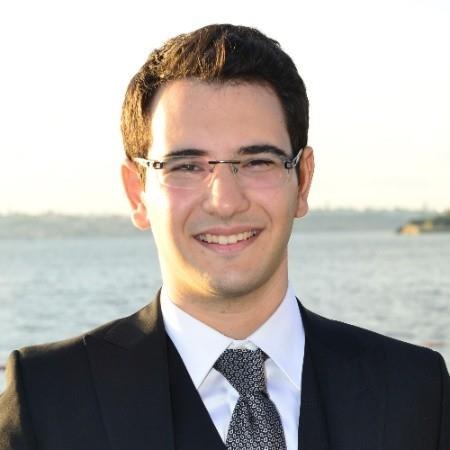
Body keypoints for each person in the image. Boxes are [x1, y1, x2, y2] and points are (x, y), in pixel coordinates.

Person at [0, 24, 448, 450]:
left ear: (303, 181)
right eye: (186, 166)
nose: (225, 202)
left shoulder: (416, 388)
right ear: (137, 192)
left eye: (257, 162)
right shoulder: (48, 397)